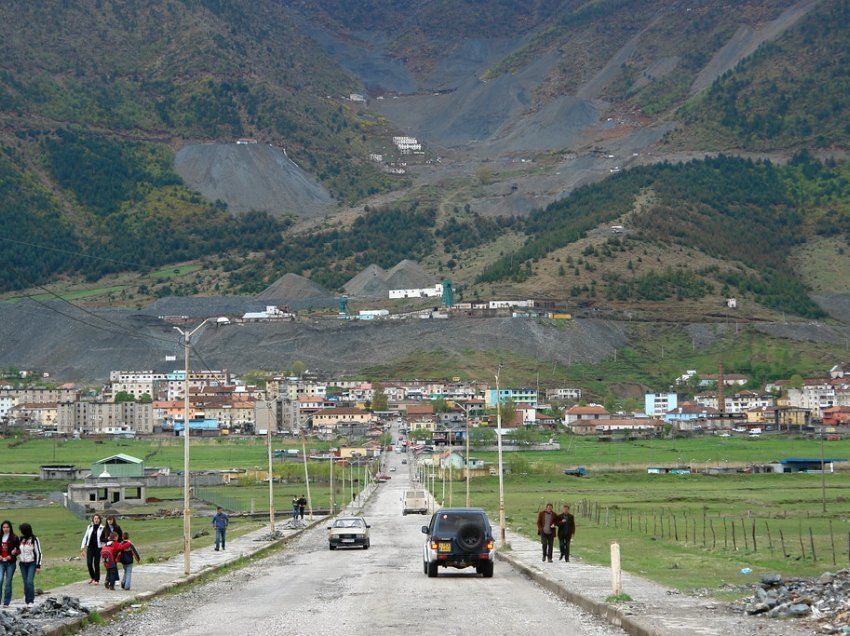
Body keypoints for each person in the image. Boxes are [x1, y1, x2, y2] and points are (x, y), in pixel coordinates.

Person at [17, 523, 42, 608]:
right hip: (22, 564)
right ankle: (27, 600)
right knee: (25, 582)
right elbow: (18, 550)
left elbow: (39, 553)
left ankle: (31, 600)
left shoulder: (34, 539)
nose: (21, 532)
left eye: (22, 530)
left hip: (31, 563)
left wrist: (38, 565)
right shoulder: (20, 539)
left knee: (29, 581)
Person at [80, 514, 104, 584]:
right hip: (90, 547)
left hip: (98, 548)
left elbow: (103, 539)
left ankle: (97, 579)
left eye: (97, 519)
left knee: (96, 563)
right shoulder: (89, 527)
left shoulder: (102, 528)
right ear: (93, 519)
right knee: (89, 563)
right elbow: (85, 537)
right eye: (95, 518)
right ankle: (93, 577)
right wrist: (82, 547)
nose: (96, 520)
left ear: (100, 520)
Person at [0, 520, 19, 607]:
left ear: (10, 528)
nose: (5, 529)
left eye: (7, 527)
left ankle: (6, 602)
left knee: (8, 582)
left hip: (10, 563)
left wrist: (13, 554)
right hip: (1, 562)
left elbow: (19, 550)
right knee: (0, 580)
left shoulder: (15, 538)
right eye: (4, 527)